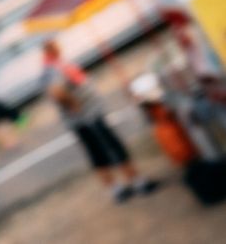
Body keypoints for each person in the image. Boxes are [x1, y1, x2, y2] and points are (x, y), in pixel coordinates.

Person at [42, 40, 159, 204]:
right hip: (87, 117)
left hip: (82, 118)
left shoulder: (52, 67)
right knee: (112, 147)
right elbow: (57, 92)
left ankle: (117, 190)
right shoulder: (52, 69)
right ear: (52, 49)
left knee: (97, 154)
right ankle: (137, 182)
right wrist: (75, 105)